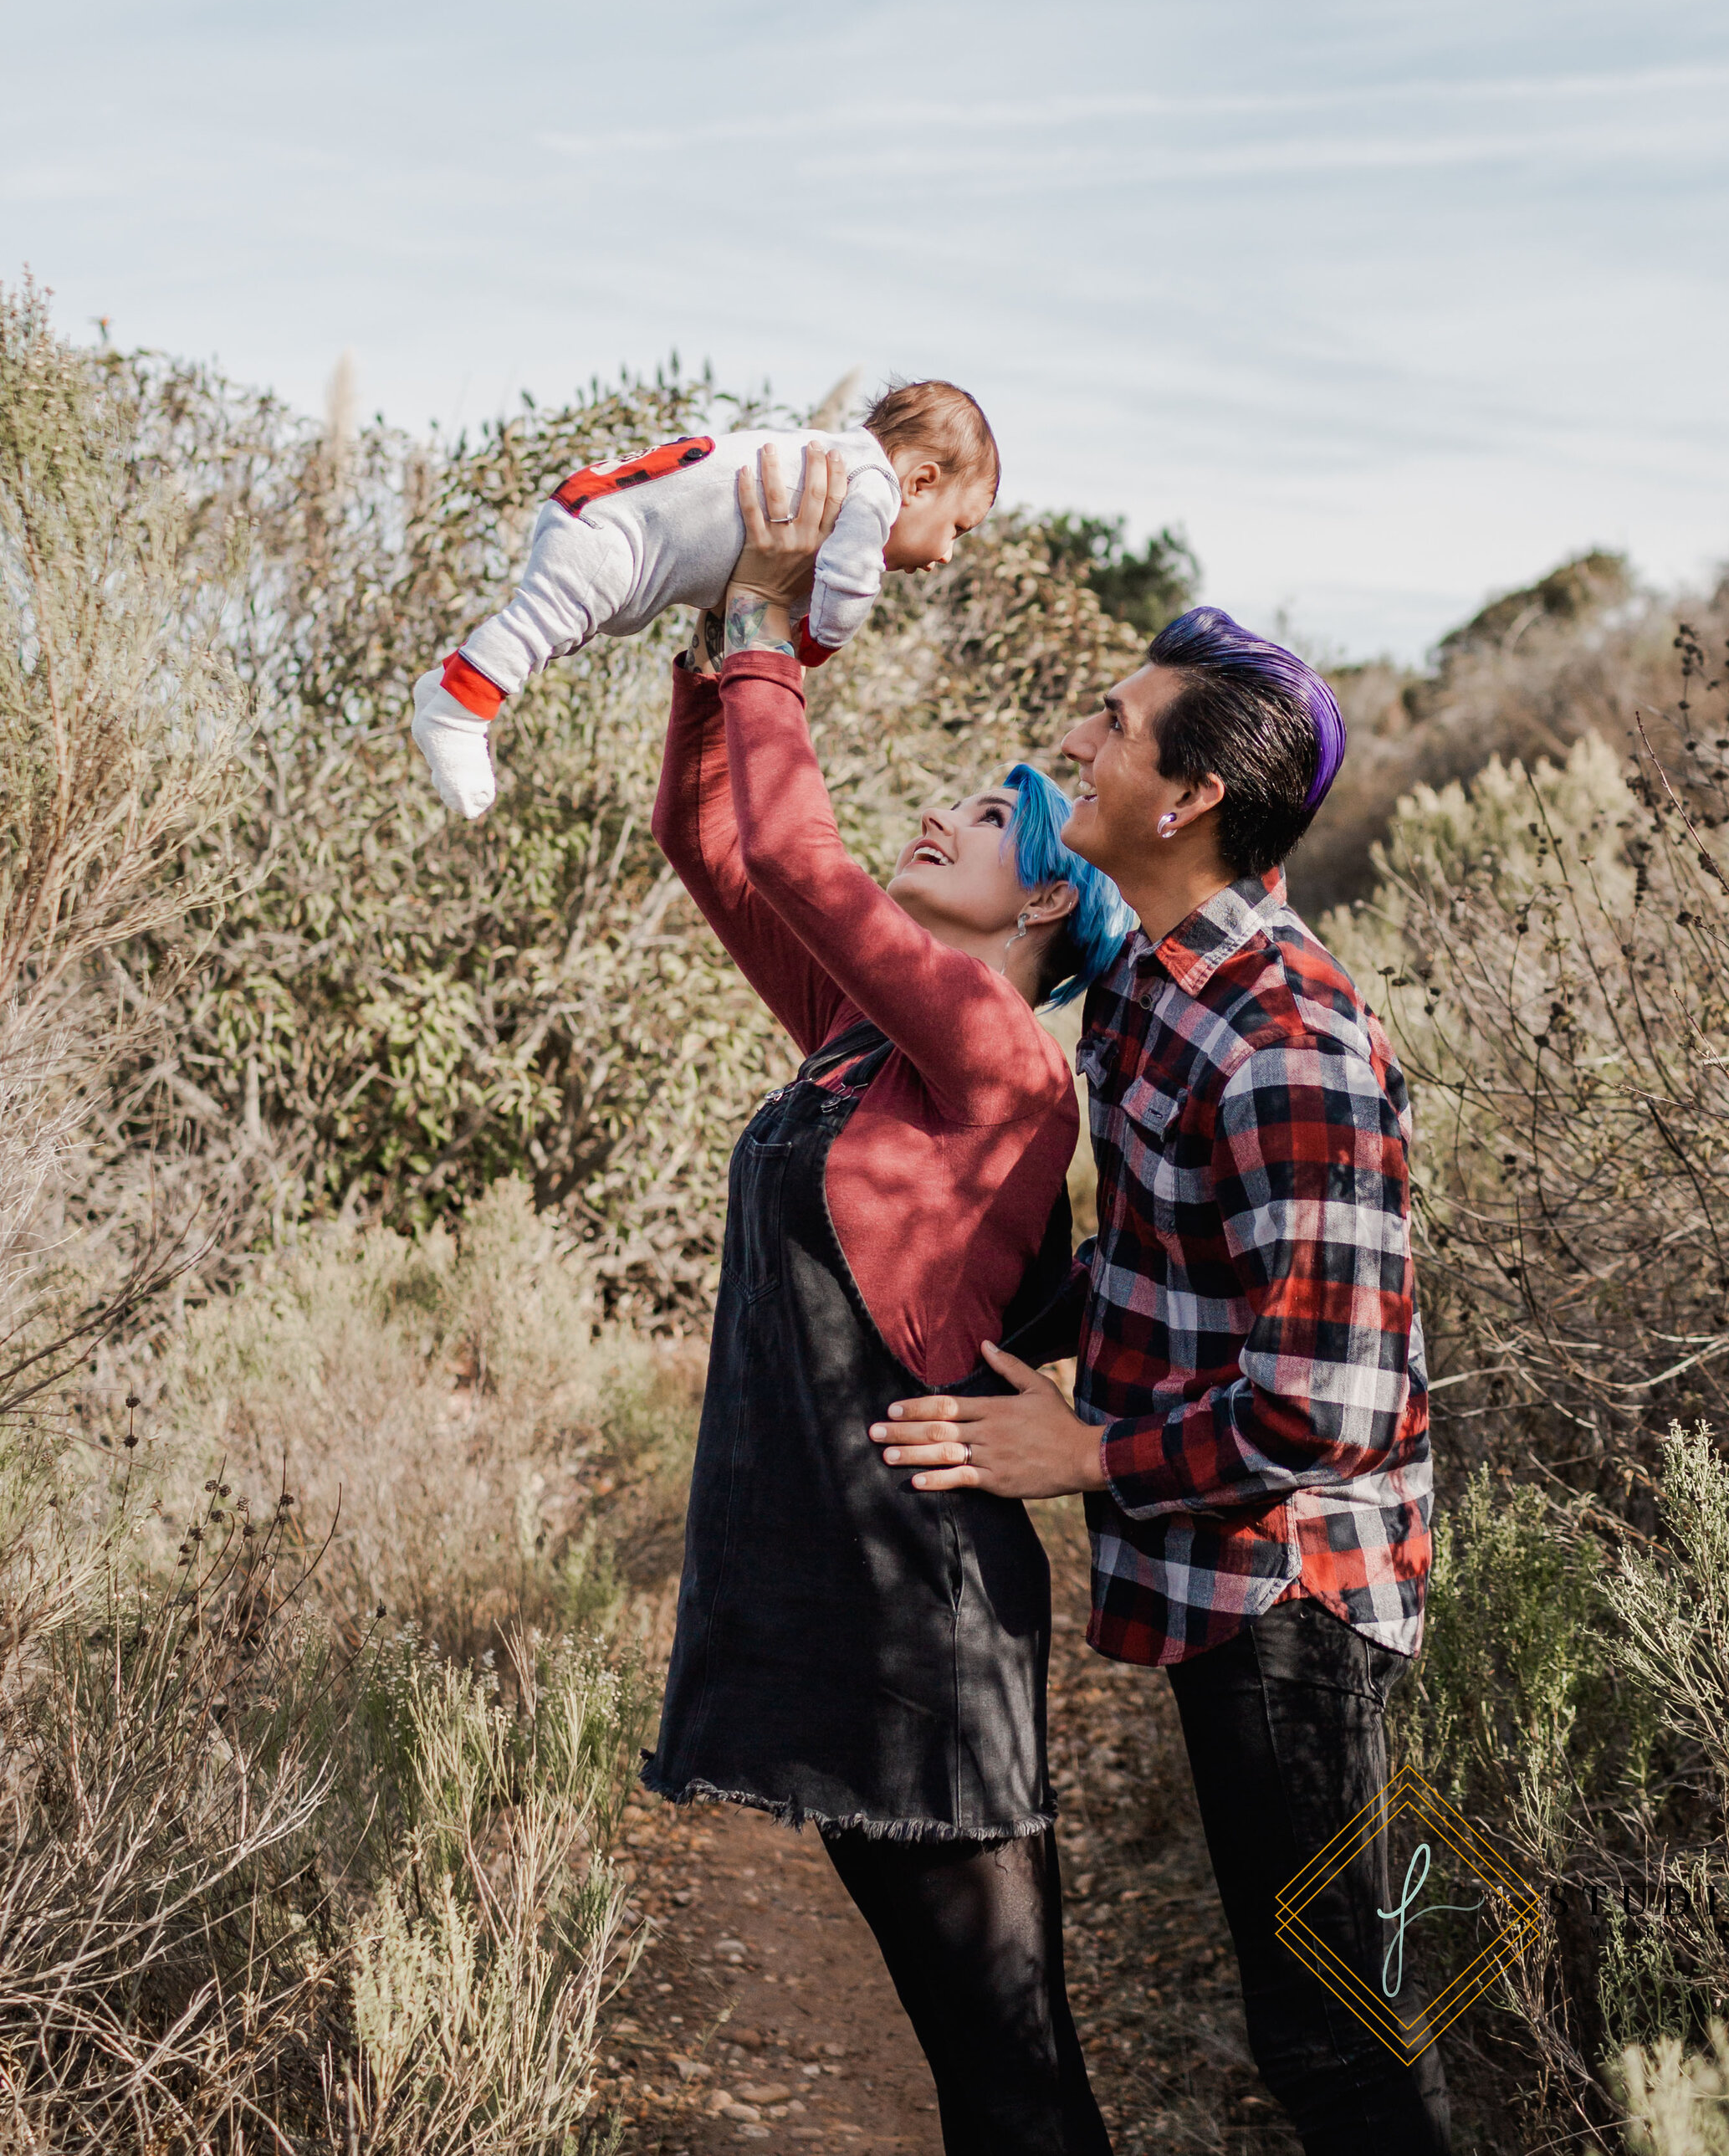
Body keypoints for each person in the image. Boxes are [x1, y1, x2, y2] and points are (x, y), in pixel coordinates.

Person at [871, 608, 1444, 2156]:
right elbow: (1160, 1262)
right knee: (1330, 2015)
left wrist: (1084, 1454)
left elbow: (1332, 1405)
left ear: (1187, 798)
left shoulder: (1290, 1037)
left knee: (1341, 2035)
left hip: (1299, 1600)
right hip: (1228, 1581)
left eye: (1115, 729)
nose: (1080, 746)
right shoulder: (1144, 994)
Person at [642, 443, 1131, 2156]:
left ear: (1051, 902)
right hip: (834, 1603)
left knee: (1011, 2081)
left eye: (989, 818)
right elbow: (716, 840)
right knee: (977, 2075)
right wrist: (720, 644)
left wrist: (783, 624)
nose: (938, 815)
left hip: (919, 1618)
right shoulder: (870, 1042)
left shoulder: (998, 1050)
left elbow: (799, 842)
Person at [410, 378, 996, 817]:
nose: (946, 554)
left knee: (556, 630)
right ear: (920, 482)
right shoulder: (868, 486)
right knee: (542, 624)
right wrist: (820, 641)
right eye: (958, 529)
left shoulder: (829, 464)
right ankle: (458, 712)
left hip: (605, 512)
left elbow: (784, 583)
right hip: (615, 527)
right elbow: (848, 580)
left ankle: (446, 681)